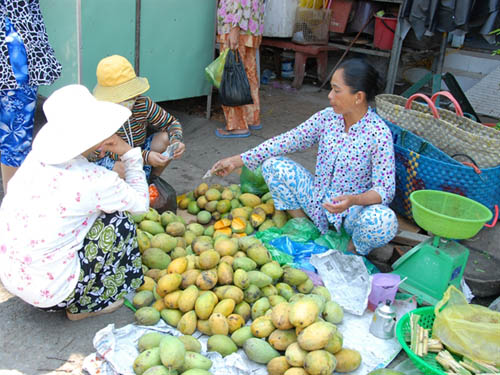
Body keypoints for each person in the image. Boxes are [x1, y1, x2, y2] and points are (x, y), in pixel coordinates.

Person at [210, 59, 398, 255]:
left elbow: (384, 190)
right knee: (273, 165)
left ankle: (352, 251)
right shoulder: (327, 118)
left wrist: (353, 200)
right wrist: (236, 160)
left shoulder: (378, 133)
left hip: (353, 213)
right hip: (317, 201)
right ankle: (305, 226)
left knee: (384, 221)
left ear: (358, 97)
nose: (330, 96)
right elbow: (288, 140)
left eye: (336, 90)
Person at [0, 84, 149, 320]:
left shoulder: (35, 160)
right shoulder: (95, 180)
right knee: (120, 221)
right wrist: (130, 154)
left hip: (13, 278)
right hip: (55, 294)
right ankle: (89, 303)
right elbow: (141, 205)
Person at [0, 0, 61, 193]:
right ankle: (15, 212)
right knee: (14, 144)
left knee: (14, 144)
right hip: (12, 51)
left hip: (14, 52)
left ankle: (14, 210)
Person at [92, 55, 185, 181]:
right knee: (123, 169)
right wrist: (146, 157)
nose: (129, 100)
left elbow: (171, 123)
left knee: (166, 138)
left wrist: (176, 141)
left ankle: (152, 180)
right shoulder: (100, 113)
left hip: (139, 150)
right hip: (113, 159)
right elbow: (105, 151)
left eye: (130, 96)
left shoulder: (142, 103)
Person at [215, 0, 265, 138]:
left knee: (231, 76)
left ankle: (237, 126)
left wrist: (234, 28)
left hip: (236, 27)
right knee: (248, 74)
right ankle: (251, 118)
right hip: (251, 27)